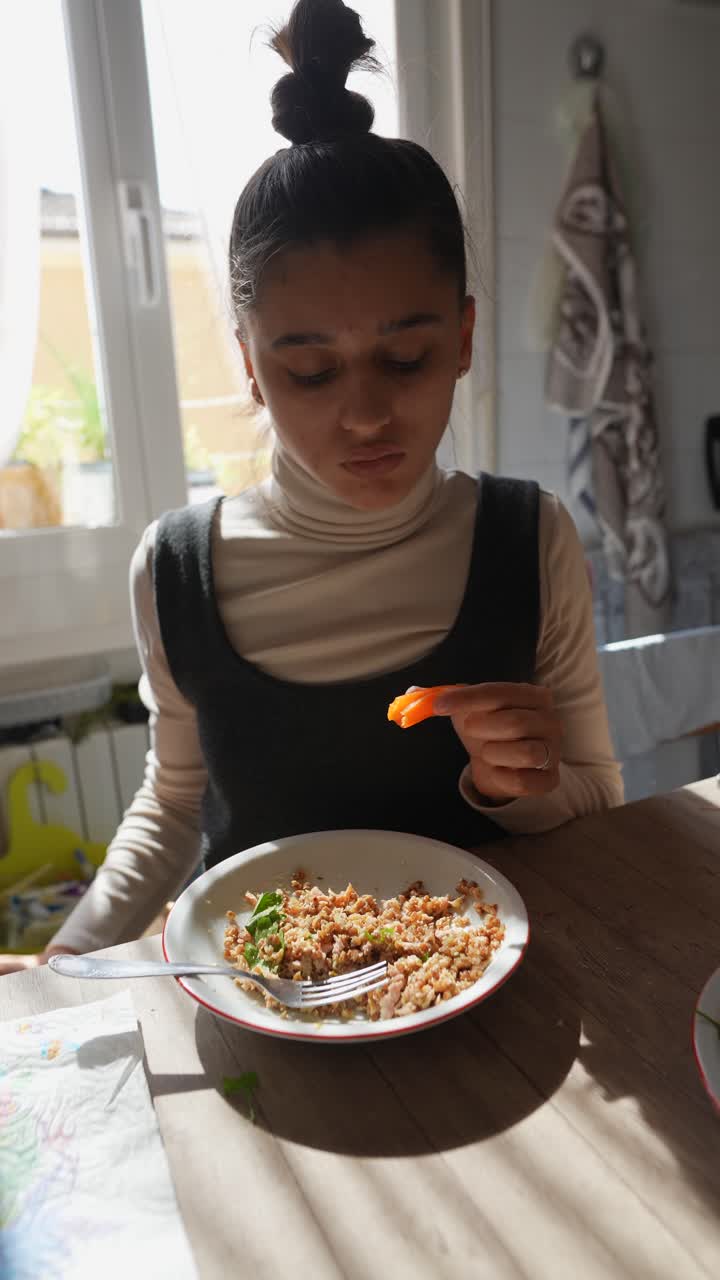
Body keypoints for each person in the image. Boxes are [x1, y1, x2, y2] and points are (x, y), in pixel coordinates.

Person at [0, 0, 622, 976]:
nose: (367, 415)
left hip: (488, 1028)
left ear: (462, 339)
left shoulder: (529, 539)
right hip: (269, 1025)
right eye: (311, 371)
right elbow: (171, 804)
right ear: (250, 364)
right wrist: (69, 953)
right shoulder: (176, 570)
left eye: (407, 355)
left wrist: (526, 787)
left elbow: (599, 801)